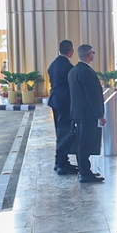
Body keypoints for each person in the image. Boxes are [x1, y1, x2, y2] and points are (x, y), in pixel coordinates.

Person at [66, 44, 107, 184]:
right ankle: (85, 173)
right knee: (86, 144)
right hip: (87, 114)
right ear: (89, 55)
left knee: (82, 143)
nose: (94, 55)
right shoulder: (87, 72)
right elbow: (92, 96)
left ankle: (84, 171)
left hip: (78, 113)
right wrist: (100, 115)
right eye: (93, 52)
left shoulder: (73, 71)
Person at [47, 40, 80, 176]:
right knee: (65, 132)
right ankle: (62, 164)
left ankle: (60, 161)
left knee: (60, 131)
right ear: (71, 51)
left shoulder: (53, 64)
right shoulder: (68, 67)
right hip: (65, 102)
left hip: (55, 101)